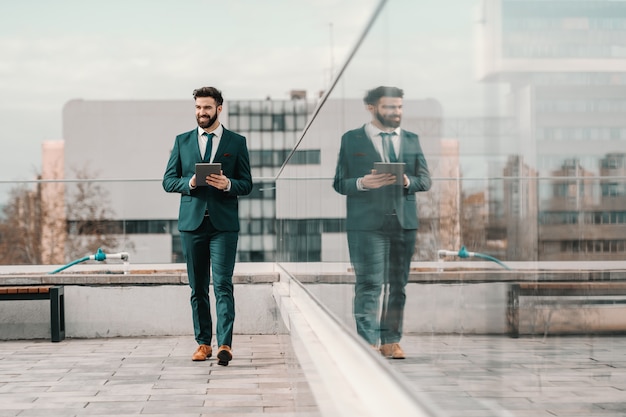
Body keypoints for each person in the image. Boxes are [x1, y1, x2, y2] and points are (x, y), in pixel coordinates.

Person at [333, 86, 431, 359]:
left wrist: (407, 181)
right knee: (369, 284)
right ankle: (367, 343)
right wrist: (364, 183)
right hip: (366, 225)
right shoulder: (351, 139)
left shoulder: (411, 139)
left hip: (403, 223)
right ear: (372, 108)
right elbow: (339, 183)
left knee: (397, 285)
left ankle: (391, 340)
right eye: (389, 107)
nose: (396, 112)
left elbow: (425, 180)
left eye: (399, 107)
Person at [163, 86, 252, 366]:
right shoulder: (182, 141)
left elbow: (247, 184)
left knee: (223, 285)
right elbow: (168, 181)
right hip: (192, 225)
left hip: (223, 225)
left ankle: (225, 344)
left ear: (219, 109)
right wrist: (189, 183)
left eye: (207, 108)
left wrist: (228, 184)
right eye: (198, 108)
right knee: (198, 288)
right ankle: (203, 343)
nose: (202, 113)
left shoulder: (236, 142)